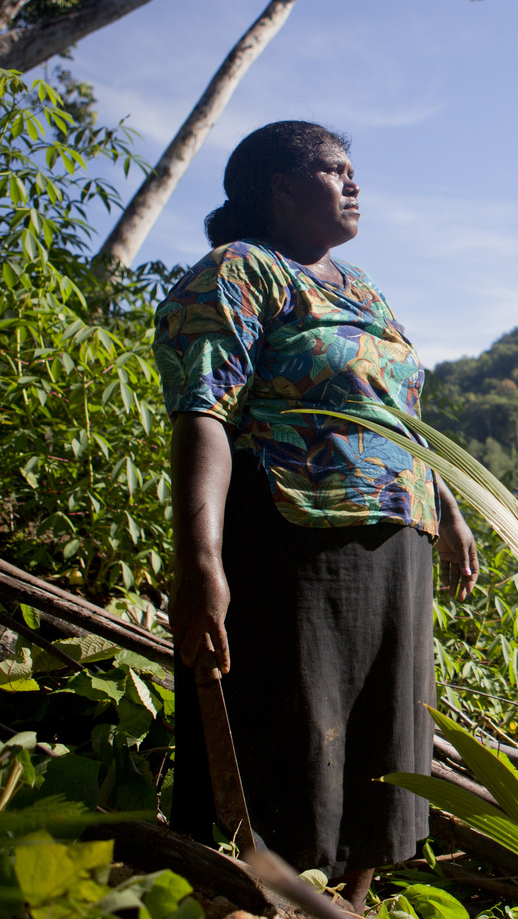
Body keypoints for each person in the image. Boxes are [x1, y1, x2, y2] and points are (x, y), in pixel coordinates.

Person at [152, 120, 478, 911]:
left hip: (395, 547)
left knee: (380, 745)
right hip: (290, 544)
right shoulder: (239, 273)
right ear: (282, 188)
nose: (355, 183)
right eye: (336, 170)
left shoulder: (362, 289)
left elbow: (395, 413)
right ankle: (249, 900)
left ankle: (351, 905)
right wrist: (201, 561)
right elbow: (204, 415)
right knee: (286, 741)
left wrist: (449, 507)